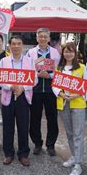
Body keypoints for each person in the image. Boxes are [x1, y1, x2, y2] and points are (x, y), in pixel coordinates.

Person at [0, 35, 36, 166]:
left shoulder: (29, 61)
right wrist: (11, 86)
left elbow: (34, 79)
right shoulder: (4, 61)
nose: (16, 46)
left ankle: (23, 154)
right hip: (8, 97)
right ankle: (8, 153)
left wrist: (23, 88)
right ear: (9, 46)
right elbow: (0, 79)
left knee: (23, 126)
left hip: (23, 98)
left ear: (22, 45)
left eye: (18, 44)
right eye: (13, 44)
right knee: (7, 127)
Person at [52, 42, 87, 175]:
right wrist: (61, 94)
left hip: (77, 104)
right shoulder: (59, 68)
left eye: (71, 51)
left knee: (78, 134)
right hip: (63, 103)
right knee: (69, 133)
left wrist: (77, 94)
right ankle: (74, 156)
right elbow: (55, 85)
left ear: (75, 53)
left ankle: (78, 164)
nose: (68, 54)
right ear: (63, 53)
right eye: (66, 51)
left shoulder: (82, 68)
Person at [26, 27, 61, 156]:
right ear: (37, 38)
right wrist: (37, 74)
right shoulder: (30, 53)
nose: (43, 39)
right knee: (35, 118)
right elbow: (28, 69)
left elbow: (59, 72)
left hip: (51, 90)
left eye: (45, 36)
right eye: (40, 36)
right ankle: (37, 143)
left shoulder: (55, 53)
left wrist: (50, 76)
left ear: (49, 38)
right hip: (35, 90)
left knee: (52, 118)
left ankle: (51, 145)